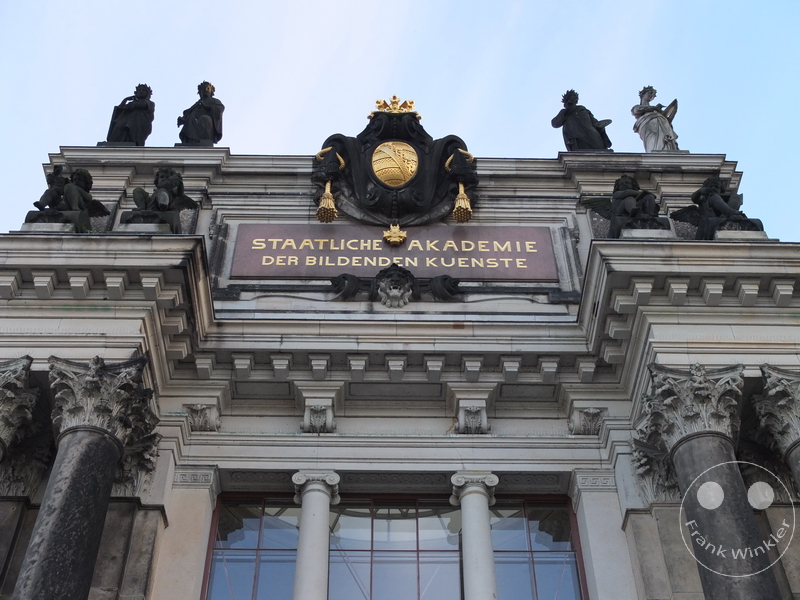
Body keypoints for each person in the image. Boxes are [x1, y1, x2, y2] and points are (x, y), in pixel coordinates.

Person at [632, 86, 680, 152]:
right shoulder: (637, 107)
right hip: (648, 126)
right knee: (653, 141)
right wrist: (655, 108)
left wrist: (674, 111)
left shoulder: (657, 111)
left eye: (653, 95)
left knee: (666, 142)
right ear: (643, 94)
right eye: (650, 93)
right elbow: (637, 110)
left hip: (663, 127)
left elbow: (668, 121)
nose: (652, 96)